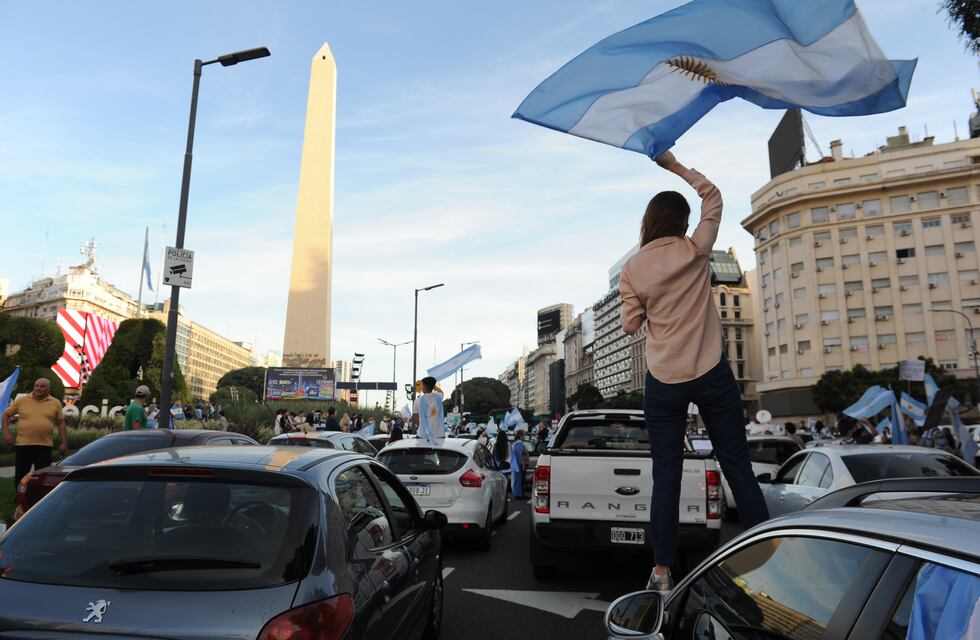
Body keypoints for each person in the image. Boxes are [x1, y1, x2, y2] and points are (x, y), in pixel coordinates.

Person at [619, 151, 769, 593]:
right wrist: (675, 166)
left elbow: (630, 325)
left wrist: (645, 303)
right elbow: (715, 197)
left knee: (665, 476)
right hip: (712, 371)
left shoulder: (633, 268)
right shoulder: (695, 248)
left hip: (663, 379)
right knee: (737, 466)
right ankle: (764, 559)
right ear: (683, 222)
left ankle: (662, 573)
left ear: (649, 222)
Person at [2, 378, 67, 490]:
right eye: (37, 385)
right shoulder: (23, 400)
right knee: (21, 474)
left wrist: (64, 443)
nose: (38, 388)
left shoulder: (55, 403)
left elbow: (61, 423)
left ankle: (39, 498)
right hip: (23, 444)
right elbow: (6, 415)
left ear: (48, 389)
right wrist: (6, 433)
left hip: (44, 444)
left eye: (42, 386)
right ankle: (20, 498)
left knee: (42, 475)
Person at [413, 377, 445, 445]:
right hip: (438, 435)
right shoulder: (439, 397)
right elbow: (441, 392)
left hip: (422, 435)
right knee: (437, 455)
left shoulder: (417, 401)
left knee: (421, 455)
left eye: (422, 385)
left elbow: (415, 419)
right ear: (433, 387)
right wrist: (434, 386)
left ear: (424, 386)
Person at [510, 429, 528, 498]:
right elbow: (519, 454)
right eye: (524, 435)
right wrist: (523, 464)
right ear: (520, 436)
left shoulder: (515, 443)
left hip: (516, 464)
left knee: (519, 480)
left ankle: (520, 494)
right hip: (519, 465)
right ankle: (519, 494)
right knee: (519, 480)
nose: (525, 436)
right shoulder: (519, 443)